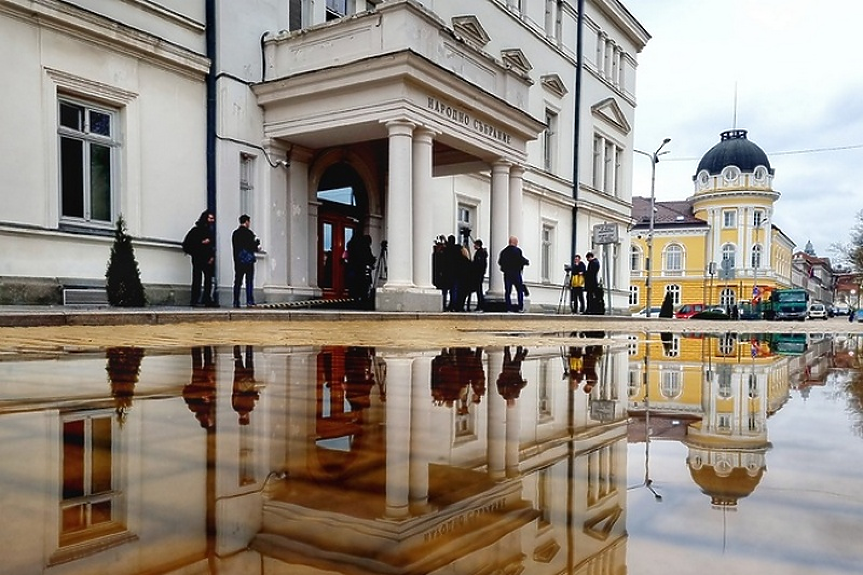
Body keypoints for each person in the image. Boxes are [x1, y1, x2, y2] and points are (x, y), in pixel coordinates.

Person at [183, 210, 217, 307]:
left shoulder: (210, 232)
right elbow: (188, 244)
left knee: (208, 279)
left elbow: (212, 246)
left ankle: (206, 299)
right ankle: (195, 299)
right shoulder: (196, 231)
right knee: (197, 279)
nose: (212, 220)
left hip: (207, 258)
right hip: (198, 257)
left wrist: (212, 257)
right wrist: (201, 243)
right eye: (210, 218)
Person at [231, 214, 260, 308]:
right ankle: (249, 301)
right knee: (249, 281)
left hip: (238, 261)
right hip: (248, 261)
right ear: (247, 222)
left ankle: (236, 301)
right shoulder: (249, 233)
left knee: (238, 282)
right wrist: (257, 244)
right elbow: (253, 246)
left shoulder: (235, 233)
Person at [498, 236, 529, 312]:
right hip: (516, 273)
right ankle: (520, 307)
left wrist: (505, 268)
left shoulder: (503, 251)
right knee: (519, 290)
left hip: (507, 273)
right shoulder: (517, 251)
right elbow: (520, 259)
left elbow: (500, 262)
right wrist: (526, 262)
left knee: (508, 291)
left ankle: (508, 307)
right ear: (515, 242)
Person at [345, 234, 376, 305]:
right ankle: (363, 300)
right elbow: (368, 258)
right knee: (363, 285)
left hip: (352, 269)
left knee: (353, 284)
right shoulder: (364, 247)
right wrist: (372, 261)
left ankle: (354, 298)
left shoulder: (350, 245)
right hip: (362, 270)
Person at [466, 239, 488, 312]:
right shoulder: (482, 253)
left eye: (475, 245)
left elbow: (478, 265)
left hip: (477, 275)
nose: (474, 246)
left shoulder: (479, 253)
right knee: (479, 290)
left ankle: (480, 305)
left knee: (479, 290)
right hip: (479, 274)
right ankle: (481, 305)